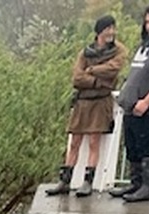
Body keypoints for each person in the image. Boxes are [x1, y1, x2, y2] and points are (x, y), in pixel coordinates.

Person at [46, 15, 127, 197]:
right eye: (108, 29)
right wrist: (98, 81)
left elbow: (113, 69)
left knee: (93, 141)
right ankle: (64, 181)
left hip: (100, 102)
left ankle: (87, 182)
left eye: (113, 28)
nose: (111, 32)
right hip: (83, 101)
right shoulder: (85, 52)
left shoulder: (118, 50)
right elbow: (76, 77)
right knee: (74, 142)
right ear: (99, 31)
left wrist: (91, 70)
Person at [109, 3, 149, 201]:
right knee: (132, 147)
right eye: (147, 21)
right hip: (131, 106)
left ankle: (148, 188)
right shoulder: (145, 44)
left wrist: (147, 101)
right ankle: (135, 183)